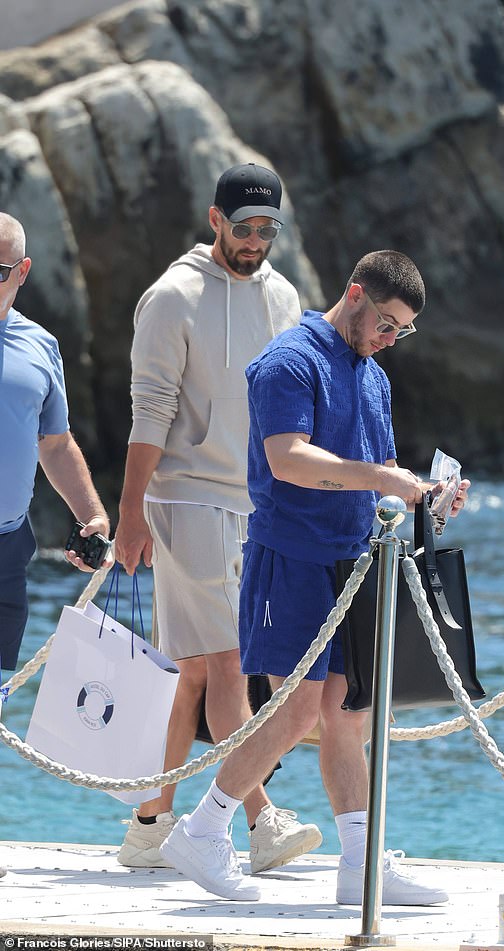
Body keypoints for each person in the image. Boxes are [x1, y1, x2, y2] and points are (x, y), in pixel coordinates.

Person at [158, 249, 471, 903]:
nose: (390, 339)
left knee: (347, 714)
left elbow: (379, 475)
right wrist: (381, 477)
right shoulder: (288, 360)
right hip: (289, 560)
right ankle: (203, 829)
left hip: (350, 564)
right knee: (298, 708)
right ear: (355, 294)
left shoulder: (373, 378)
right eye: (386, 322)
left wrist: (423, 495)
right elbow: (289, 460)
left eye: (402, 331)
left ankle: (360, 867)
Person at [114, 163, 322, 873]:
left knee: (196, 675)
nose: (256, 241)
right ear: (215, 220)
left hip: (255, 505)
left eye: (268, 230)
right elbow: (149, 413)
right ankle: (258, 821)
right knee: (233, 662)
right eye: (245, 228)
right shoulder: (172, 297)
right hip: (185, 498)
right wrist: (130, 516)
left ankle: (149, 826)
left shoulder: (285, 296)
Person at [1, 212, 113, 878]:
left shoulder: (40, 345)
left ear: (21, 273)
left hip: (9, 545)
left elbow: (55, 442)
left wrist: (93, 513)